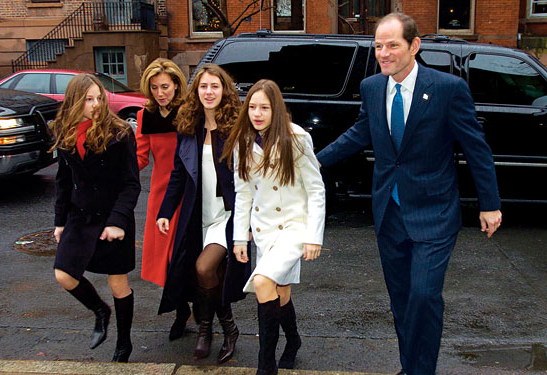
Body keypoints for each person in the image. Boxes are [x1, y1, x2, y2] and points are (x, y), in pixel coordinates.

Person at [316, 12, 502, 375]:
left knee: (424, 296)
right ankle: (409, 367)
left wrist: (490, 205)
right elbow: (358, 134)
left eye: (392, 46)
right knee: (401, 301)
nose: (383, 53)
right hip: (390, 211)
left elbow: (476, 149)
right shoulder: (371, 87)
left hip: (434, 212)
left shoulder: (448, 89)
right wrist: (312, 162)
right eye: (379, 46)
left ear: (414, 46)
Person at [224, 79, 326, 375]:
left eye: (264, 108)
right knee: (279, 291)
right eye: (252, 107)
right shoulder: (242, 141)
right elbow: (243, 193)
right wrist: (239, 238)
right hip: (265, 229)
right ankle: (293, 341)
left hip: (294, 226)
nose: (257, 113)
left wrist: (313, 237)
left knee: (262, 283)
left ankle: (265, 367)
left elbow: (316, 189)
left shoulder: (296, 138)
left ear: (276, 109)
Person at [156, 63, 251, 363]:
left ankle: (213, 329)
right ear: (196, 92)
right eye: (203, 87)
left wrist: (250, 222)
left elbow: (253, 178)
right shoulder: (188, 127)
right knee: (204, 274)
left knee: (204, 268)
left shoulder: (237, 127)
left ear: (225, 91)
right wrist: (165, 212)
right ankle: (215, 331)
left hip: (228, 215)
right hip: (198, 215)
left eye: (215, 86)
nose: (209, 92)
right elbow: (178, 175)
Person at [50, 73, 141, 362]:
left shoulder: (120, 133)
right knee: (63, 274)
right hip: (80, 216)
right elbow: (64, 180)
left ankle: (123, 343)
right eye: (88, 99)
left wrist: (117, 221)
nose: (96, 104)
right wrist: (60, 221)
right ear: (76, 102)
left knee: (118, 283)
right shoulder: (65, 131)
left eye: (99, 98)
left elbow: (131, 184)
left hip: (113, 216)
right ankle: (100, 310)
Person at [136, 58, 191, 341]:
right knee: (165, 260)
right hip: (160, 193)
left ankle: (199, 314)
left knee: (185, 255)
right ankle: (182, 311)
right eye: (155, 87)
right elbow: (140, 157)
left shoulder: (188, 112)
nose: (161, 92)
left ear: (177, 85)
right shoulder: (145, 116)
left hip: (188, 190)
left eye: (166, 86)